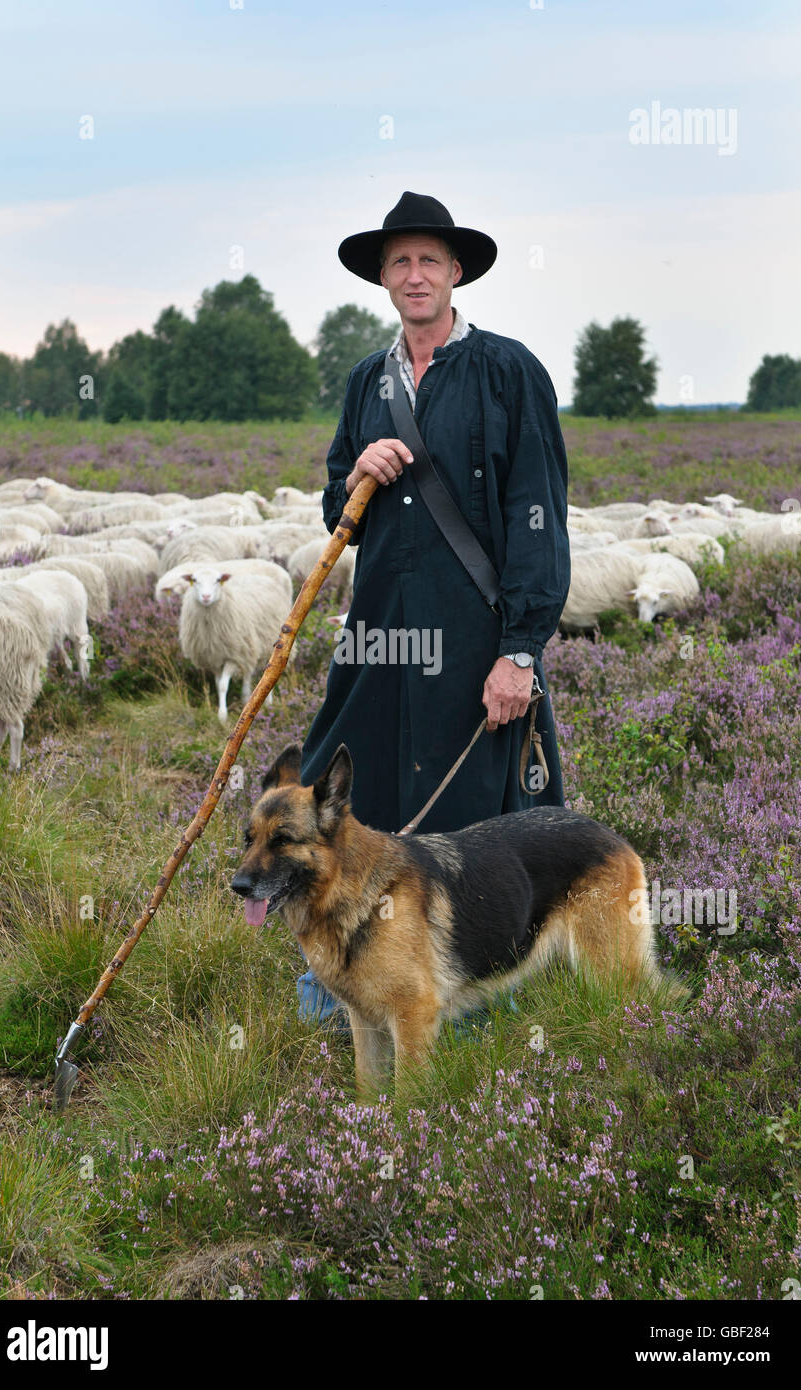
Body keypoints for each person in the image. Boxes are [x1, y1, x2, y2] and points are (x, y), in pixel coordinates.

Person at [296, 191, 571, 1027]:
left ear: (455, 274)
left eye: (429, 261)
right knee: (345, 802)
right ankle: (338, 986)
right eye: (399, 262)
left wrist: (519, 651)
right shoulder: (364, 382)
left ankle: (475, 1003)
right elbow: (333, 509)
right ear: (382, 278)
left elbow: (538, 512)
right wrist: (354, 478)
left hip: (472, 641)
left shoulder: (508, 371)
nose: (414, 275)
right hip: (378, 640)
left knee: (475, 830)